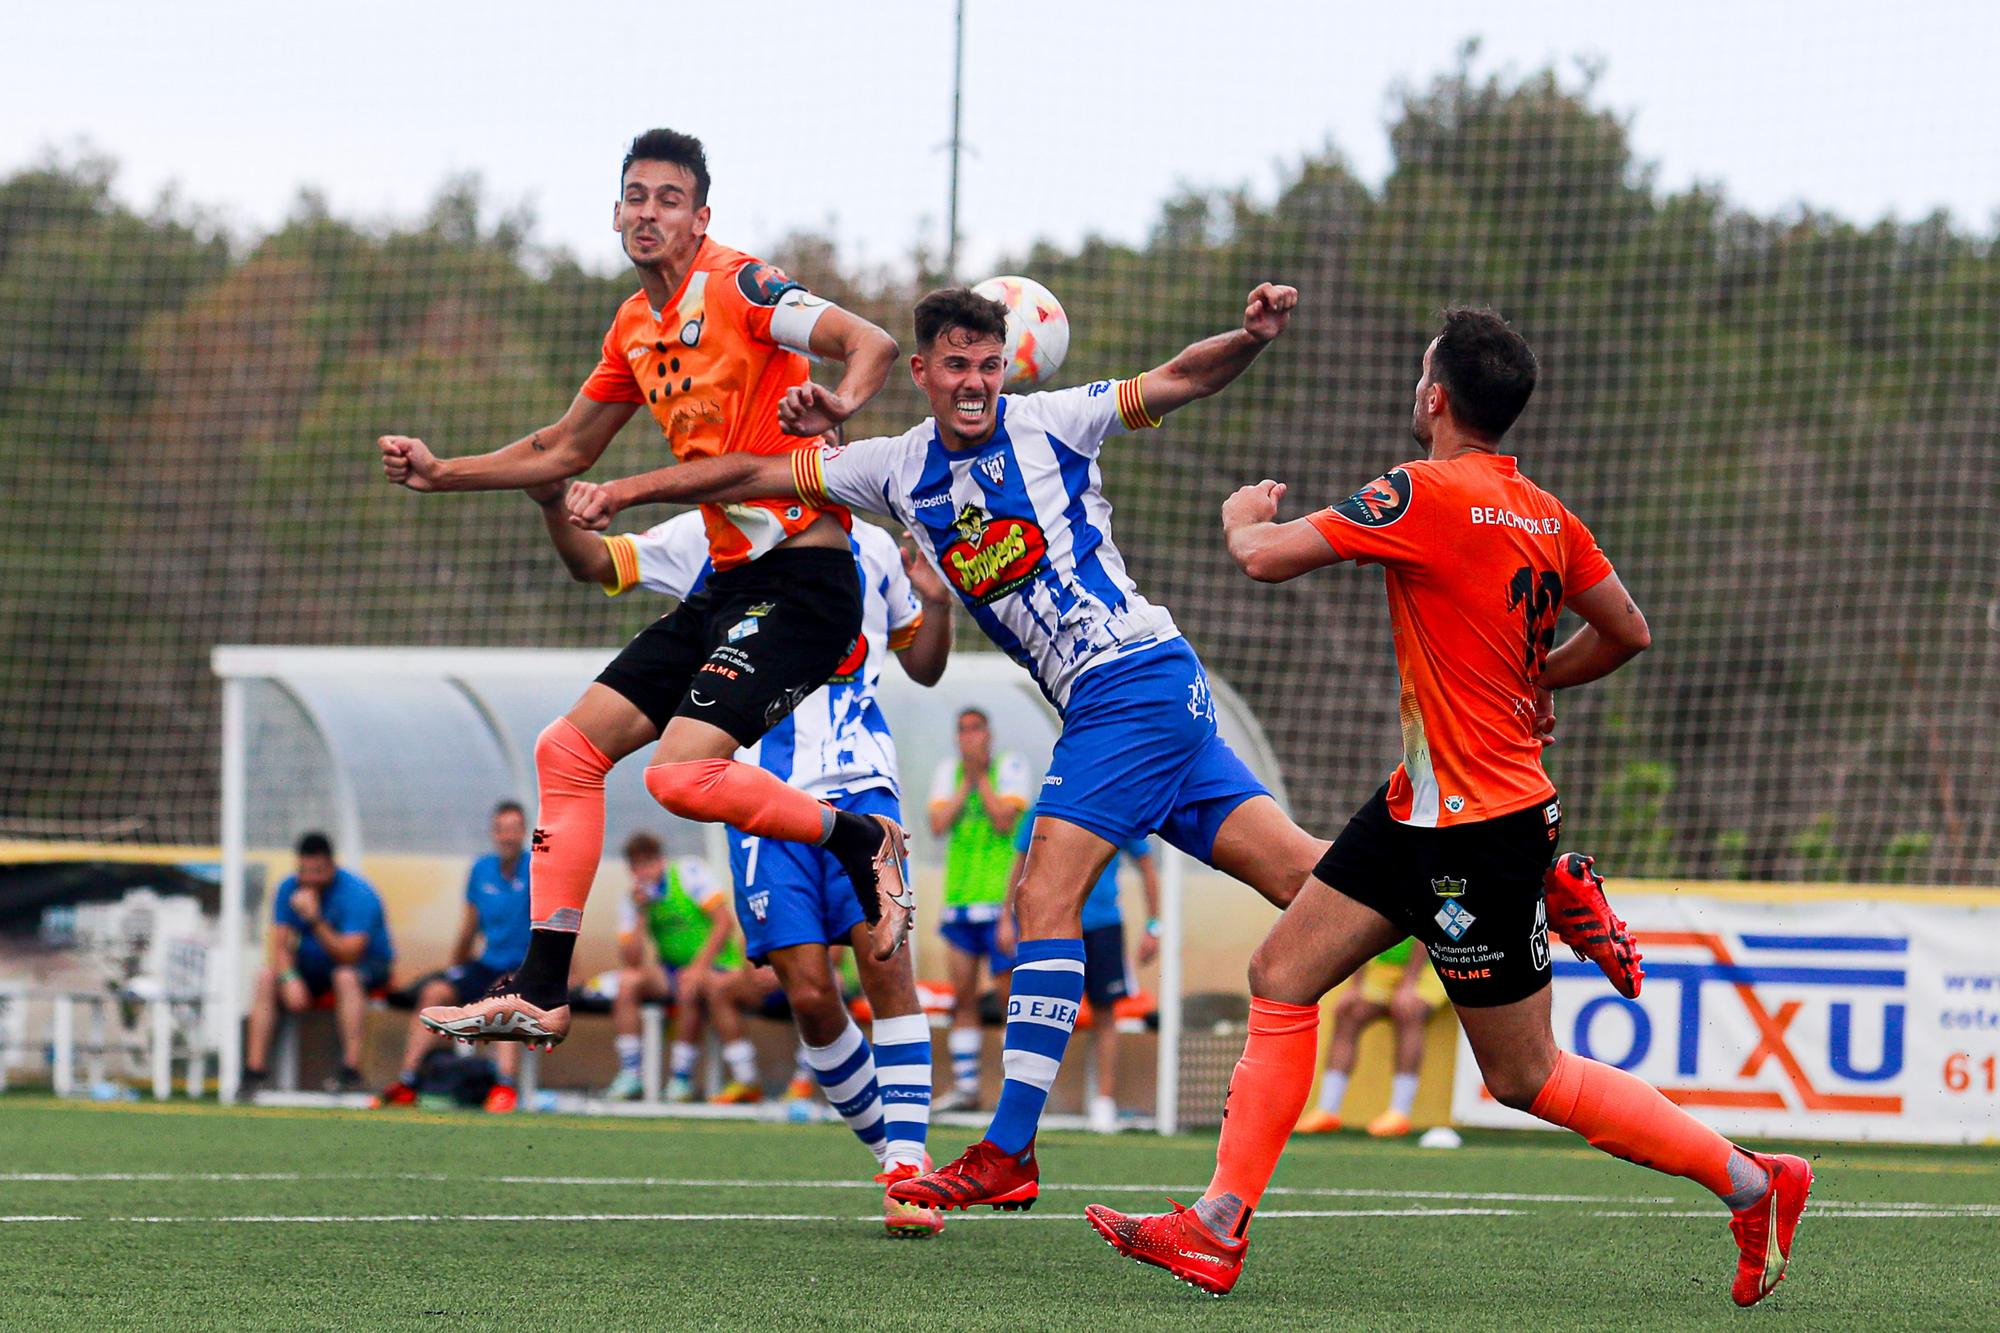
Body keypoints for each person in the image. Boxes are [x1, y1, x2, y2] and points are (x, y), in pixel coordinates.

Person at [1082, 308, 1806, 1308]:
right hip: (1422, 805)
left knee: (1524, 1076)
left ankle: (1752, 1179)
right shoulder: (1546, 514)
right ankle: (1212, 1227)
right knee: (1281, 971)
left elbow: (1263, 557)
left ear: (1433, 398)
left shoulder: (1417, 490)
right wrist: (1540, 678)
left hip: (1475, 829)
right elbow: (1626, 629)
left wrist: (1240, 513)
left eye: (1419, 377)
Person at [562, 282, 1334, 1213]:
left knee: (1040, 896)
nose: (975, 383)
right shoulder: (891, 468)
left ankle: (1008, 1148)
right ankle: (1493, 877)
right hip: (1132, 696)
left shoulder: (1055, 421)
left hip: (1130, 680)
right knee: (1311, 883)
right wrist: (627, 488)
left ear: (1010, 363)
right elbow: (745, 476)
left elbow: (1175, 379)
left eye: (989, 364)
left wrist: (1247, 337)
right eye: (957, 365)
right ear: (922, 371)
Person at [377, 127, 909, 1053]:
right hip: (731, 581)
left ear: (701, 218)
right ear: (616, 212)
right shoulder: (635, 326)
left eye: (669, 198)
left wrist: (842, 405)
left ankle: (862, 840)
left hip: (810, 580)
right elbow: (563, 450)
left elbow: (871, 341)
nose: (648, 211)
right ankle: (544, 986)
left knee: (676, 773)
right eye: (635, 195)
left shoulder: (740, 288)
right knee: (567, 750)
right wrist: (442, 471)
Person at [527, 481, 956, 1236]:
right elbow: (599, 562)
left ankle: (907, 1170)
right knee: (812, 996)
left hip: (863, 784)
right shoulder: (712, 529)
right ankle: (891, 1148)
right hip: (756, 795)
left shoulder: (876, 546)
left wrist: (937, 603)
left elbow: (923, 664)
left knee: (885, 963)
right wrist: (553, 504)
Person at [375, 801, 533, 1112]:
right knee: (436, 991)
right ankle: (408, 1080)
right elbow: (469, 927)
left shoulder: (537, 869)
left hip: (525, 967)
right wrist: (455, 969)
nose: (508, 837)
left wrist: (561, 971)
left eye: (514, 830)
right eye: (502, 830)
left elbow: (556, 924)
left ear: (523, 832)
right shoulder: (480, 870)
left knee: (504, 993)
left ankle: (504, 1085)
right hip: (486, 963)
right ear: (494, 833)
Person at [1009, 801, 1157, 1133]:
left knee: (1106, 1013)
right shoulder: (1044, 807)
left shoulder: (1116, 805)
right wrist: (1008, 919)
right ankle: (1030, 1102)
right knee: (1041, 1011)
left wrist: (1154, 925)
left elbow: (1146, 863)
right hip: (1054, 923)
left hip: (1103, 924)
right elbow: (1021, 864)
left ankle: (1104, 1103)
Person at [608, 832, 763, 1103]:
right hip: (671, 969)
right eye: (638, 865)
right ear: (631, 869)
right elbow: (632, 959)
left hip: (717, 966)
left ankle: (681, 1077)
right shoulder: (633, 900)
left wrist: (698, 967)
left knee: (690, 983)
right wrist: (642, 913)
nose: (646, 870)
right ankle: (631, 1073)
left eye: (650, 862)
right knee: (628, 981)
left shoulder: (690, 874)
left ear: (661, 860)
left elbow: (724, 922)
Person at [928, 708, 1031, 1111]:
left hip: (998, 903)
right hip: (959, 901)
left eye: (976, 729)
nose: (969, 737)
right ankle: (966, 1088)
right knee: (963, 996)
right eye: (962, 730)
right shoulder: (947, 773)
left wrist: (980, 778)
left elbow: (1005, 821)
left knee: (1009, 997)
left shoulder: (1011, 767)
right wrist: (966, 780)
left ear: (989, 733)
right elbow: (938, 823)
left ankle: (1015, 1093)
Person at [241, 832, 394, 1095]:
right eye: (304, 871)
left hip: (366, 966)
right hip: (314, 966)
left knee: (345, 976)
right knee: (266, 977)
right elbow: (280, 945)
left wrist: (314, 919)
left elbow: (350, 956)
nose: (310, 879)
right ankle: (254, 1073)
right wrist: (289, 977)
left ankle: (350, 1071)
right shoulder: (288, 888)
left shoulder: (359, 893)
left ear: (331, 867)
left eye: (317, 871)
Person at [1292, 938, 1445, 1137]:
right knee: (1348, 1012)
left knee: (1408, 1009)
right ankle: (1327, 1109)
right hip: (1385, 969)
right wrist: (1356, 987)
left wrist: (1409, 984)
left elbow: (1423, 934)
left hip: (1430, 968)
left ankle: (1399, 1113)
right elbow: (1361, 934)